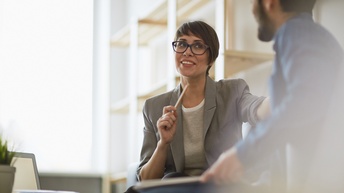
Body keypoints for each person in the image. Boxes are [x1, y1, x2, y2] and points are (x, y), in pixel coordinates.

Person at [200, 0, 344, 193]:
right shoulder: (307, 36)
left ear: (269, 3)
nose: (252, 9)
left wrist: (241, 156)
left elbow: (303, 107)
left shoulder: (297, 32)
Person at [132, 20, 270, 188]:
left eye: (198, 46)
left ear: (211, 58)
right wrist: (163, 143)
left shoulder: (232, 91)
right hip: (177, 188)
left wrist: (284, 100)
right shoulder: (153, 107)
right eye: (182, 44)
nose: (187, 52)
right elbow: (145, 181)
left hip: (219, 184)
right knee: (171, 179)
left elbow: (255, 107)